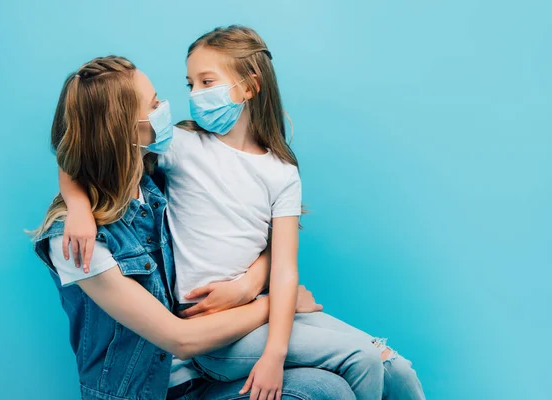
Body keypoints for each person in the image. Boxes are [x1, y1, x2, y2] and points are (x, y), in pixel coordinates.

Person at [62, 26, 425, 400]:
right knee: (361, 360)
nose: (193, 96)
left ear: (250, 87)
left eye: (206, 81)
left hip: (256, 309)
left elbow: (284, 266)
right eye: (190, 85)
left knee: (396, 370)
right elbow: (91, 149)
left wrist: (262, 316)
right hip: (211, 330)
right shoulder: (181, 147)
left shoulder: (281, 171)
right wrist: (76, 204)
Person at [32, 56, 355, 400]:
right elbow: (179, 339)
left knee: (331, 389)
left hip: (205, 374)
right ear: (123, 130)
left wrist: (249, 285)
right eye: (154, 105)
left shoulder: (150, 178)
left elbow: (77, 157)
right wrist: (277, 305)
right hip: (151, 392)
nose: (165, 108)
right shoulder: (75, 243)